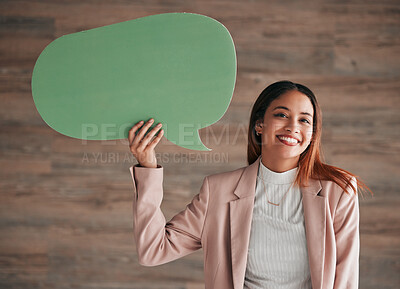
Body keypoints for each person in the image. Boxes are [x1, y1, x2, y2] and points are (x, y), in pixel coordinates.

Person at [127, 80, 372, 289]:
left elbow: (345, 279)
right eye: (281, 115)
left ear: (312, 133)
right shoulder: (218, 191)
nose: (293, 127)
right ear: (259, 125)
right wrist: (147, 167)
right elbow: (153, 250)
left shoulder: (338, 191)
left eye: (305, 120)